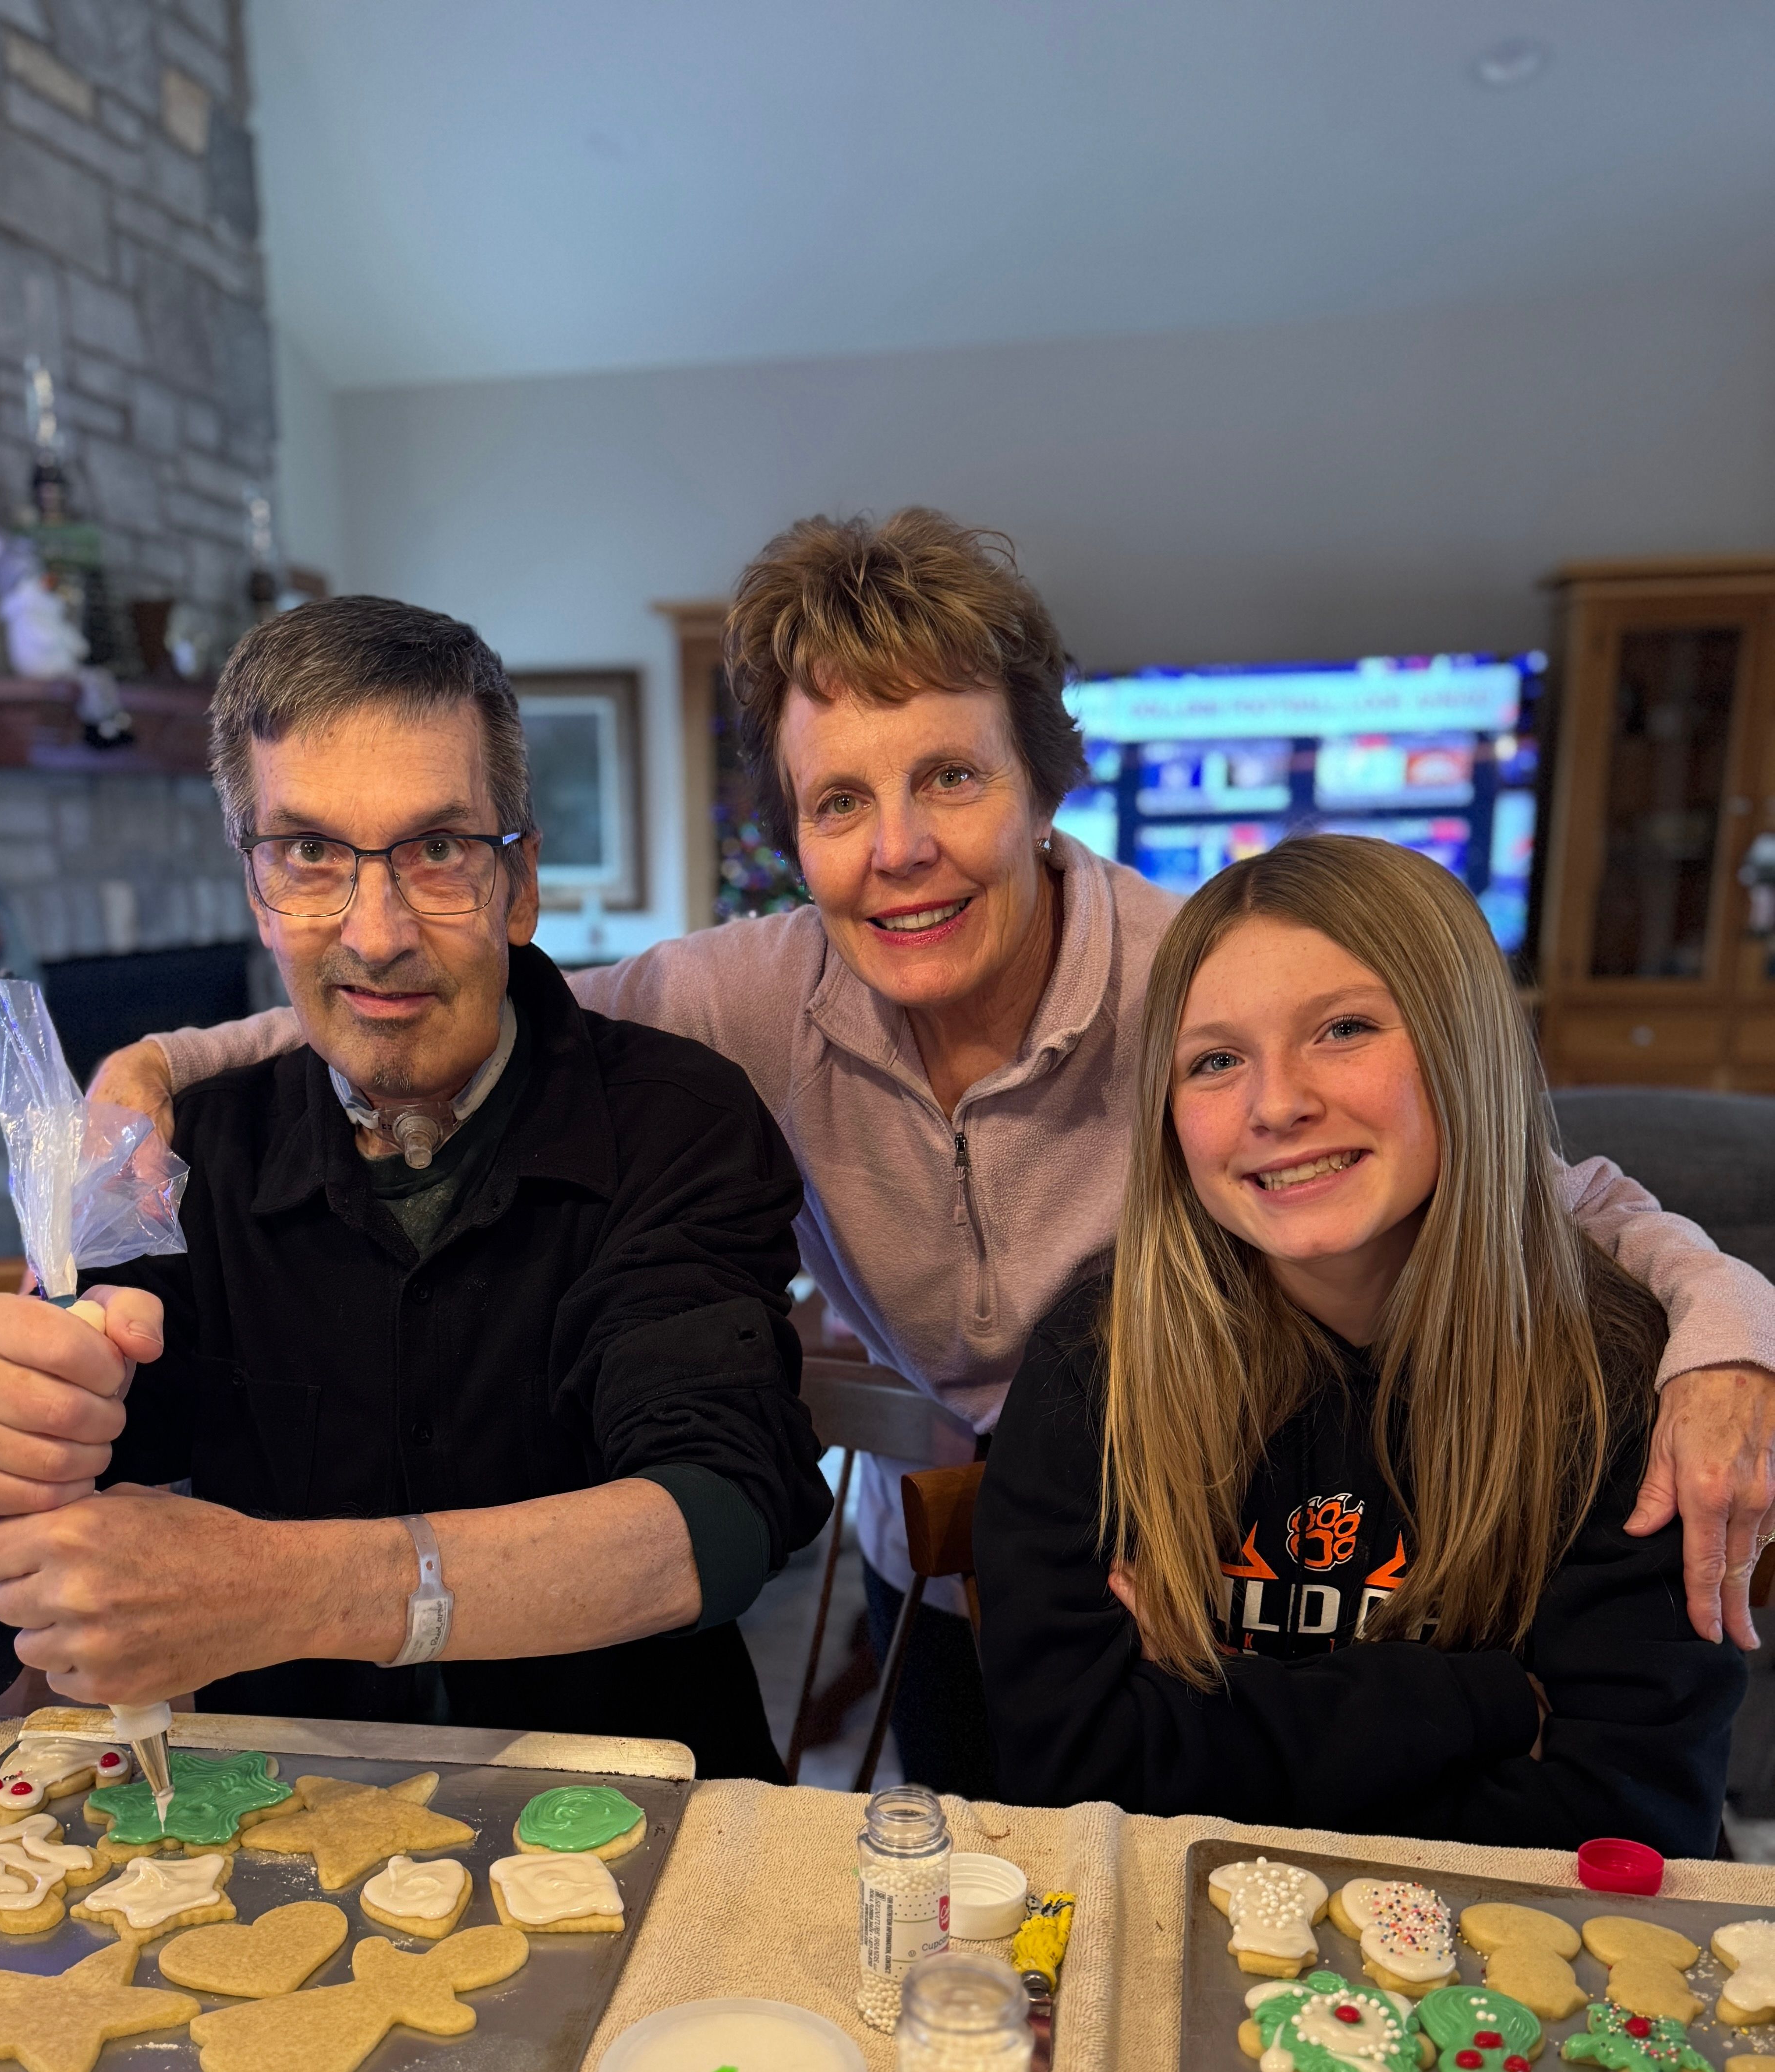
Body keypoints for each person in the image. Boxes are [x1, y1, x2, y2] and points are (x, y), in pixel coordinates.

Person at [92, 512, 1775, 1795]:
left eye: (950, 778)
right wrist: (166, 1062)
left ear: (1044, 781)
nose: (897, 851)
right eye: (838, 803)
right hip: (956, 1595)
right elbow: (444, 988)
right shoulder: (735, 997)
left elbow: (1536, 1188)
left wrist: (1726, 1329)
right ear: (793, 832)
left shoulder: (1209, 987)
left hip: (1227, 1582)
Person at [0, 597, 831, 1778]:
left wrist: (287, 1591)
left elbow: (719, 1513)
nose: (374, 935)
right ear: (258, 893)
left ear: (519, 885)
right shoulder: (181, 1160)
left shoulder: (677, 1119)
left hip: (643, 1814)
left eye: (438, 849)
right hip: (278, 1830)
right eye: (310, 853)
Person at [975, 835, 1744, 1850]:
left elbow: (1624, 1822)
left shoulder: (1619, 1381)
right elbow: (1065, 1771)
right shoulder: (1099, 1358)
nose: (1278, 1104)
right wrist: (1479, 1701)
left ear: (1466, 1046)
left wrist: (1215, 1714)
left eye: (1344, 1029)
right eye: (1215, 1061)